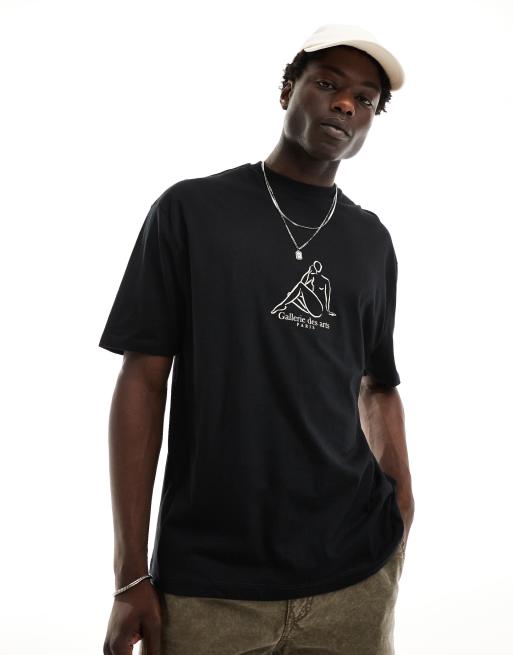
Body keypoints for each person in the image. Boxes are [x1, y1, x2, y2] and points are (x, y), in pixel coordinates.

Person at [100, 23, 415, 655]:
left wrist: (401, 504)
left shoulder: (371, 241)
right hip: (209, 583)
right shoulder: (191, 211)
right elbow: (142, 382)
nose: (345, 104)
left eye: (365, 99)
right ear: (287, 91)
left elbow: (378, 385)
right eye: (327, 84)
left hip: (355, 573)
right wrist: (130, 573)